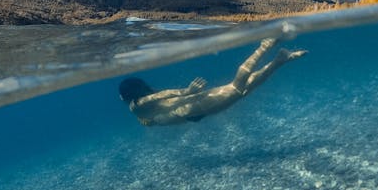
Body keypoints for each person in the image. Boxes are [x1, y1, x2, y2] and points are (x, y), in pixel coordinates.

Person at [119, 38, 307, 126]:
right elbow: (160, 98)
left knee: (237, 88)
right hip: (195, 107)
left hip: (196, 106)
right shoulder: (138, 106)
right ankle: (281, 59)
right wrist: (185, 92)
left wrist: (186, 92)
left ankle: (265, 47)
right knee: (245, 87)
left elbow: (161, 97)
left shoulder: (137, 106)